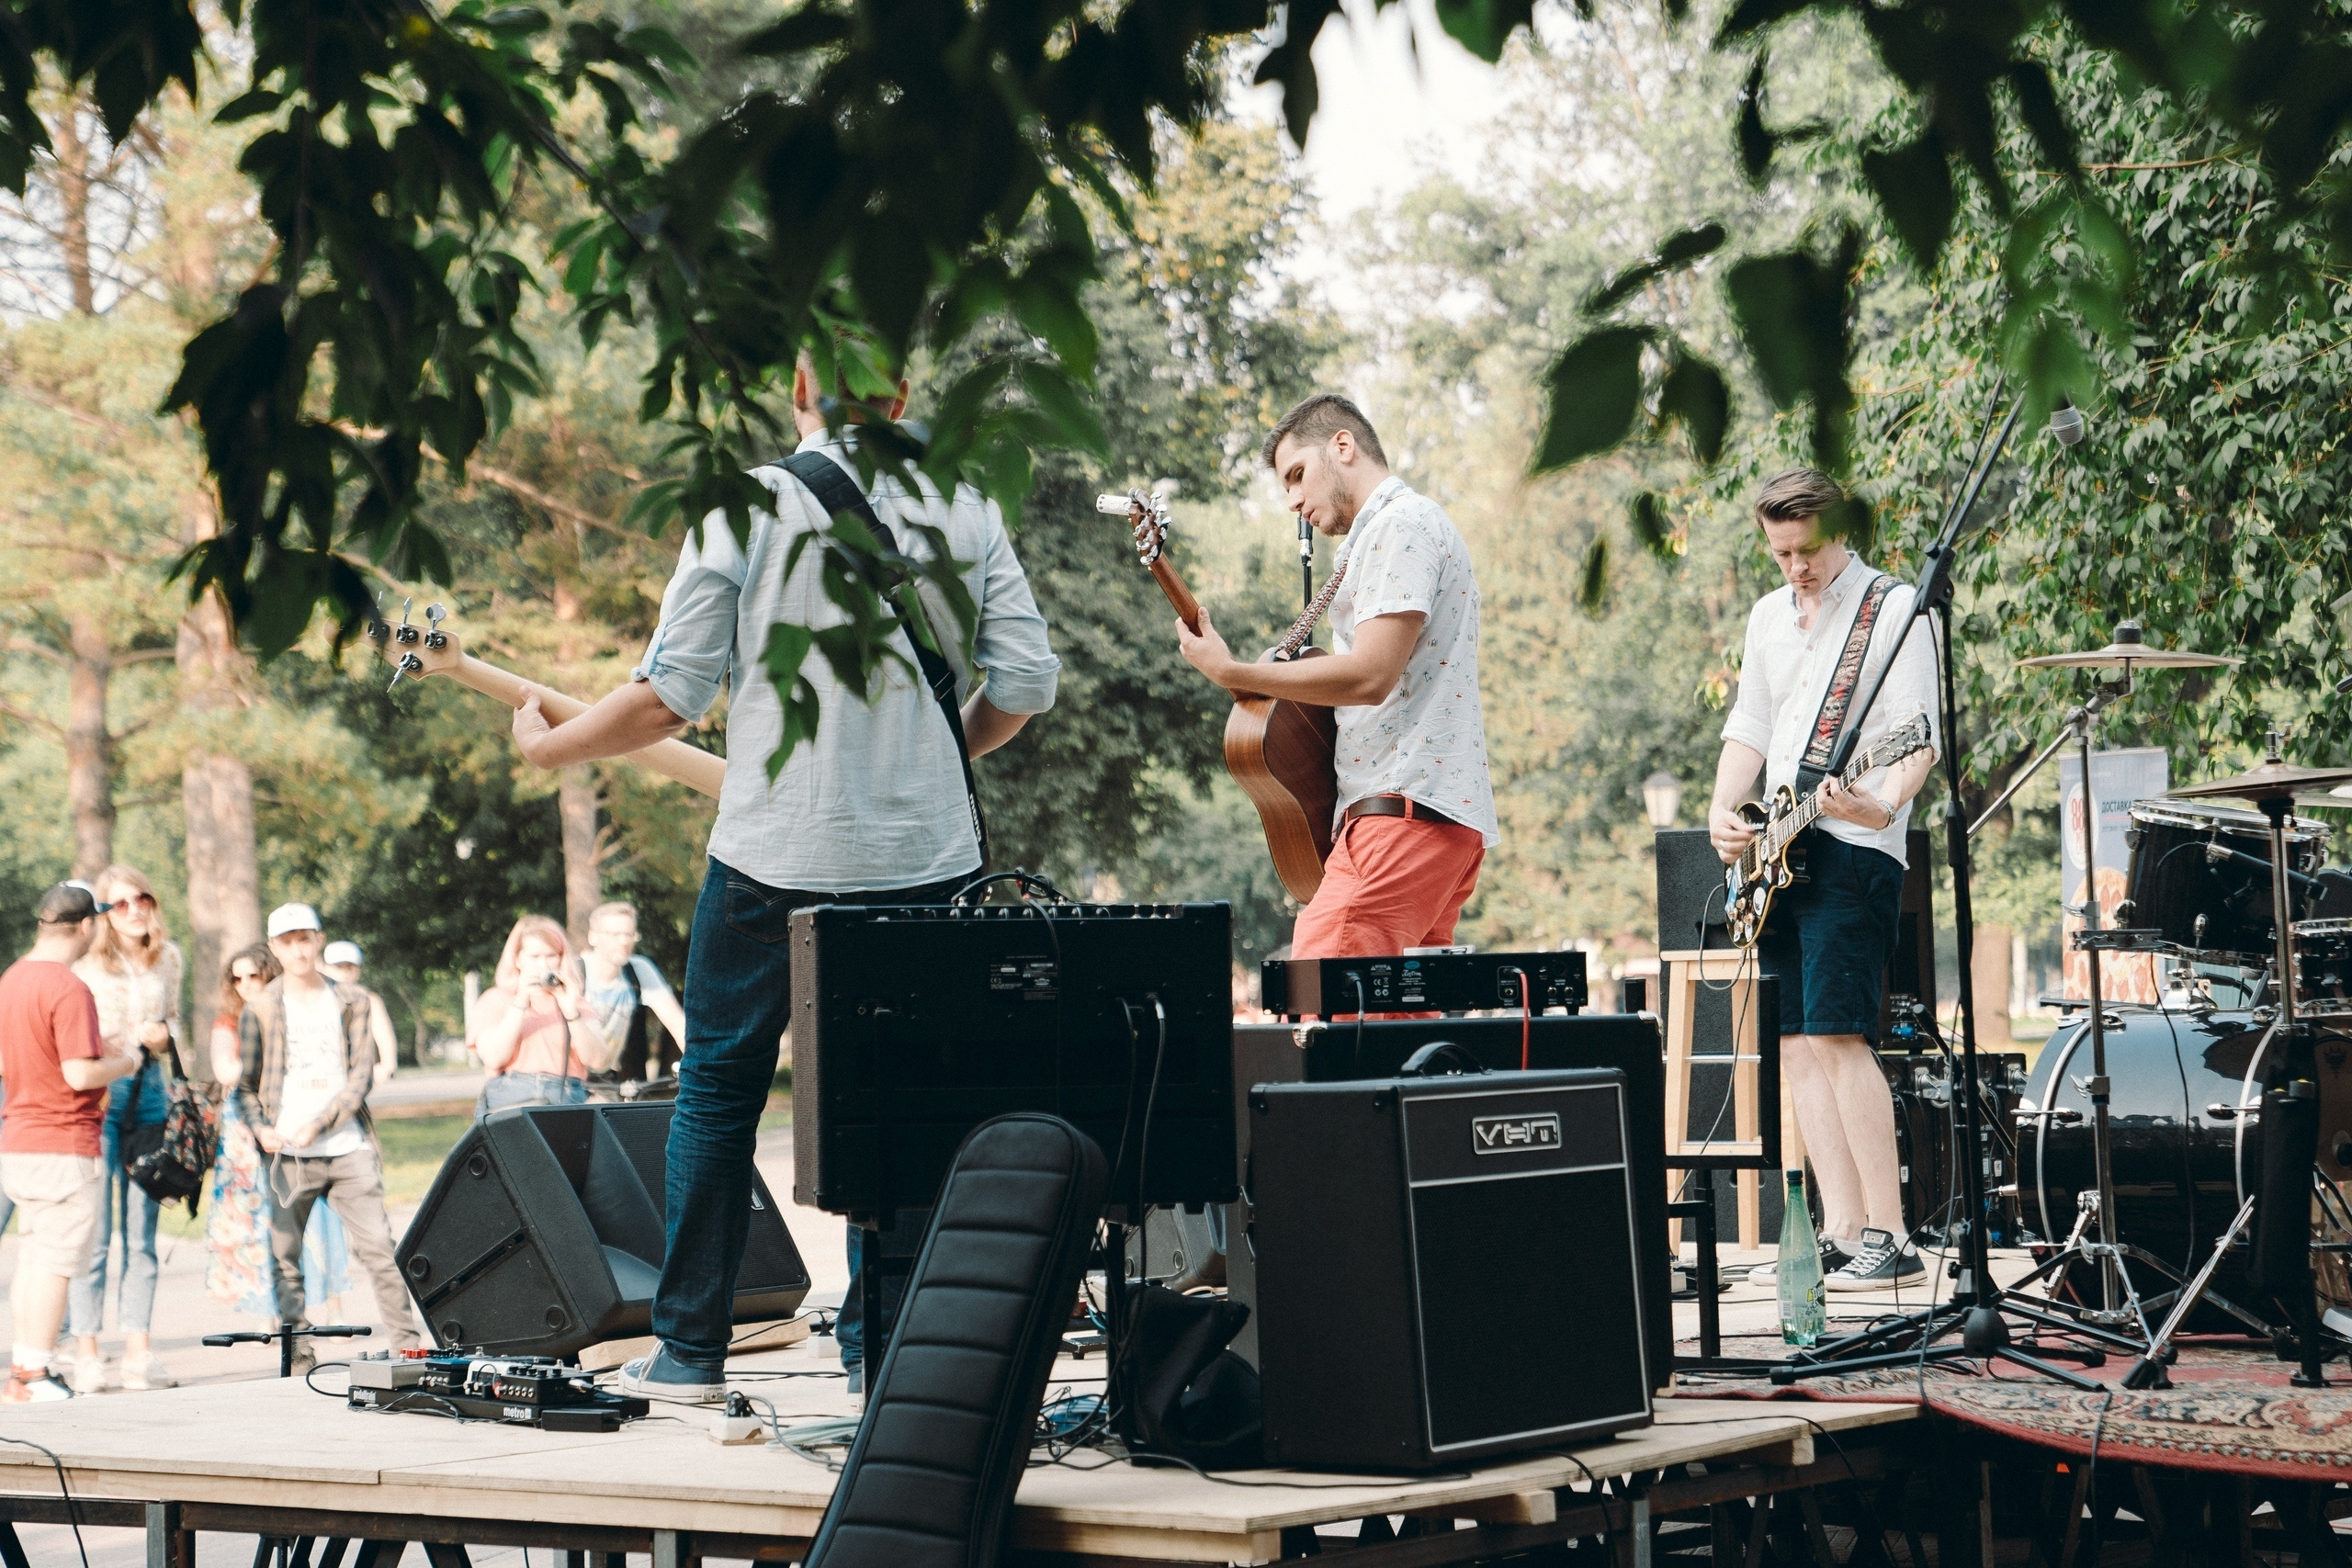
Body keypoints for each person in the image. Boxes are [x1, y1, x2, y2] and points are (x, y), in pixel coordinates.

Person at [505, 348, 1059, 1401]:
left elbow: (669, 697)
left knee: (716, 1093)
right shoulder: (966, 508)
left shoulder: (744, 506)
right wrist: (931, 757)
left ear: (794, 388)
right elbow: (1025, 681)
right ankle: (883, 1355)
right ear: (900, 399)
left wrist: (548, 748)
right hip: (926, 864)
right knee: (906, 1102)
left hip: (773, 854)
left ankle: (690, 1353)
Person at [1707, 468, 1937, 1293]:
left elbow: (1916, 740)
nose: (1795, 567)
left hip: (1853, 847)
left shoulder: (1896, 610)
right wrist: (1721, 809)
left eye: (1807, 550)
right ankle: (1842, 1225)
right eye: (1780, 553)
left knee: (1842, 1034)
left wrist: (1880, 806)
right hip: (1779, 849)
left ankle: (1892, 1229)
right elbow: (1752, 726)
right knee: (1798, 1042)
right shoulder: (1769, 615)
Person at [1174, 393, 1499, 957]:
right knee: (1393, 1028)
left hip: (1401, 814)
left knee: (1322, 997)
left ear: (1342, 446)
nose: (1294, 500)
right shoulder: (1383, 536)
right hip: (1424, 817)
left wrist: (1235, 670)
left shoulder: (1401, 524)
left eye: (1297, 475)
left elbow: (1371, 675)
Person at [234, 903, 424, 1369]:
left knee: (379, 1248)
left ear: (318, 939)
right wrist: (261, 1129)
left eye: (306, 938)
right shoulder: (259, 1007)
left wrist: (318, 1124)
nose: (298, 949)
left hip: (346, 1146)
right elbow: (243, 1087)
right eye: (288, 941)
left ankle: (409, 1348)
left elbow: (360, 1080)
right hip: (287, 1155)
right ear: (275, 947)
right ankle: (298, 1353)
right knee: (285, 1255)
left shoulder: (352, 1000)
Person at [1, 883, 143, 1402]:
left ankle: (22, 1371)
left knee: (35, 1258)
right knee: (56, 1263)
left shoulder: (12, 979)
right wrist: (127, 1061)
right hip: (63, 1139)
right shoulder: (68, 986)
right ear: (86, 925)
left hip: (18, 1139)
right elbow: (81, 1073)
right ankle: (34, 1375)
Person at [66, 863, 187, 1393]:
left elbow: (176, 1018)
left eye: (143, 898)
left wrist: (165, 1035)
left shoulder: (170, 958)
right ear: (104, 913)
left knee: (142, 1235)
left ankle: (140, 1352)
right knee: (92, 1234)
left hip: (151, 1097)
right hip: (98, 1097)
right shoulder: (85, 964)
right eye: (120, 902)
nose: (135, 908)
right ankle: (87, 1353)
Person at [205, 945, 351, 1327]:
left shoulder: (297, 1012)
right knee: (252, 1218)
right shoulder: (229, 1022)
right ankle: (265, 1307)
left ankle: (333, 1306)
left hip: (294, 1121)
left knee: (315, 1211)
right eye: (236, 978)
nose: (245, 985)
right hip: (245, 1130)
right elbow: (225, 1071)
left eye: (254, 975)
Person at [468, 917, 611, 1116]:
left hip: (565, 1094)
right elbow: (493, 1058)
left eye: (551, 955)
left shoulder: (575, 1002)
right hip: (512, 1095)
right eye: (534, 957)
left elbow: (599, 1061)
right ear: (517, 959)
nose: (543, 965)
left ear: (562, 958)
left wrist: (571, 1012)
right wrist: (520, 1002)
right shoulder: (495, 999)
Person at [581, 901, 688, 1090]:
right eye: (615, 935)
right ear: (593, 937)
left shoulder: (638, 970)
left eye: (629, 934)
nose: (624, 941)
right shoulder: (577, 971)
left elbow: (679, 1025)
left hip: (604, 1079)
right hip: (568, 1077)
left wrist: (705, 1068)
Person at [322, 942, 399, 1087]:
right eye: (338, 967)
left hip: (360, 1074)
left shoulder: (370, 1000)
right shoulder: (316, 999)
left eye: (350, 967)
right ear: (325, 968)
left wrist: (387, 1065)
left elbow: (383, 1034)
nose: (345, 973)